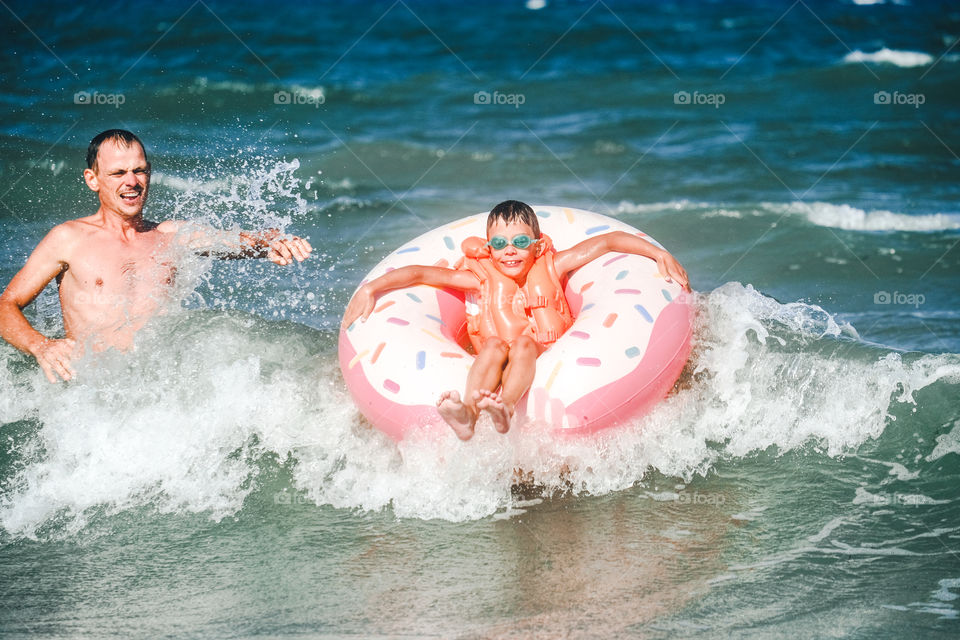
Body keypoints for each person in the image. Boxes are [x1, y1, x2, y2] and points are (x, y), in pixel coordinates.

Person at [342, 200, 690, 440]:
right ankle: (468, 415)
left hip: (540, 347)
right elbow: (421, 273)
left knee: (522, 344)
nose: (510, 250)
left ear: (536, 246)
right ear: (489, 248)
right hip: (496, 349)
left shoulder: (553, 265)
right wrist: (372, 287)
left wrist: (657, 253)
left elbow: (608, 242)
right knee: (493, 346)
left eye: (520, 242)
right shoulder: (479, 278)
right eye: (500, 244)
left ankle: (505, 408)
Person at [0, 129, 312, 383]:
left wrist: (273, 243)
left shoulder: (170, 236)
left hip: (159, 391)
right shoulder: (68, 238)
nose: (131, 182)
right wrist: (41, 345)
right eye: (118, 173)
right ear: (92, 179)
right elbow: (6, 305)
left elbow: (237, 240)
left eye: (139, 170)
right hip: (94, 393)